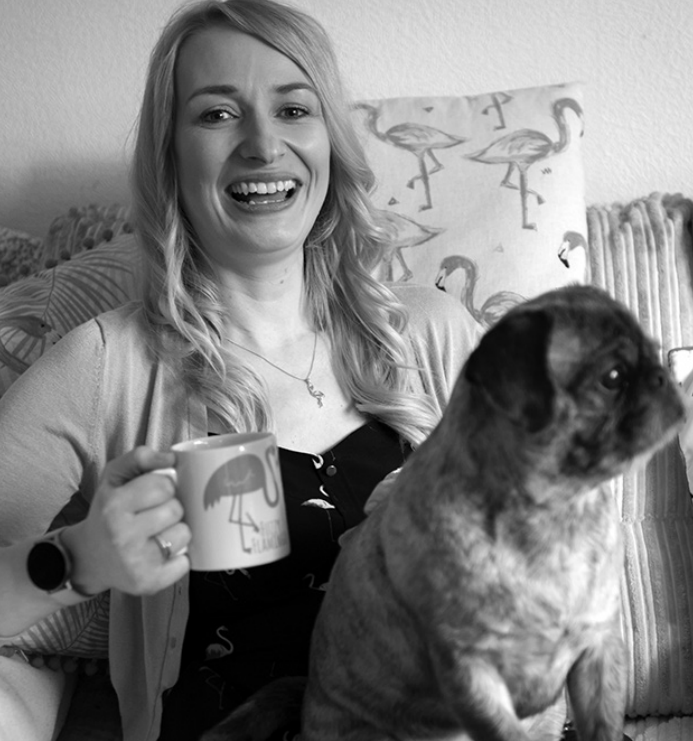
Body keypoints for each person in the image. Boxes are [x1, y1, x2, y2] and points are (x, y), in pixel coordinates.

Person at [0, 1, 481, 739]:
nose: (263, 145)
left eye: (293, 108)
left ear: (328, 141)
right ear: (169, 153)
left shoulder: (432, 333)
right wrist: (80, 560)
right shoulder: (107, 363)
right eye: (217, 114)